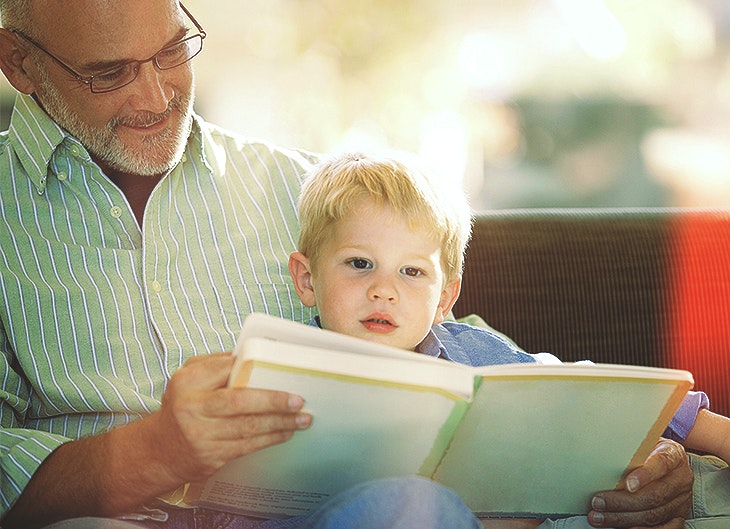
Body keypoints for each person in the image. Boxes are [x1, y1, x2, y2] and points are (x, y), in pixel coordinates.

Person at [0, 0, 715, 528]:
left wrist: (635, 463)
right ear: (19, 63)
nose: (155, 97)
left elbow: (446, 353)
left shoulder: (304, 190)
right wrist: (152, 452)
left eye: (172, 50)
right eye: (109, 73)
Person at [288, 151, 730, 527]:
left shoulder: (472, 351)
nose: (384, 289)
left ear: (444, 298)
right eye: (360, 263)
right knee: (406, 501)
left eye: (411, 271)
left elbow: (593, 392)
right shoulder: (280, 370)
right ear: (307, 279)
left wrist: (713, 433)